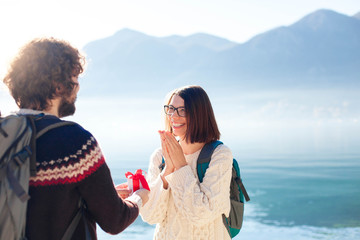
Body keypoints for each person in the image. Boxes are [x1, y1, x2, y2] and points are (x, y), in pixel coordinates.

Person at [2, 37, 149, 240]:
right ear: (58, 85)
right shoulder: (75, 142)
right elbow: (115, 220)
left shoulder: (4, 134)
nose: (78, 87)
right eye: (74, 78)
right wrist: (139, 197)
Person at [140, 85, 234, 239]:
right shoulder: (160, 156)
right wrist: (167, 171)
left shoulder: (219, 155)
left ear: (200, 114)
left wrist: (181, 166)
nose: (173, 116)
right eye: (171, 108)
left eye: (182, 110)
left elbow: (201, 214)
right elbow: (150, 216)